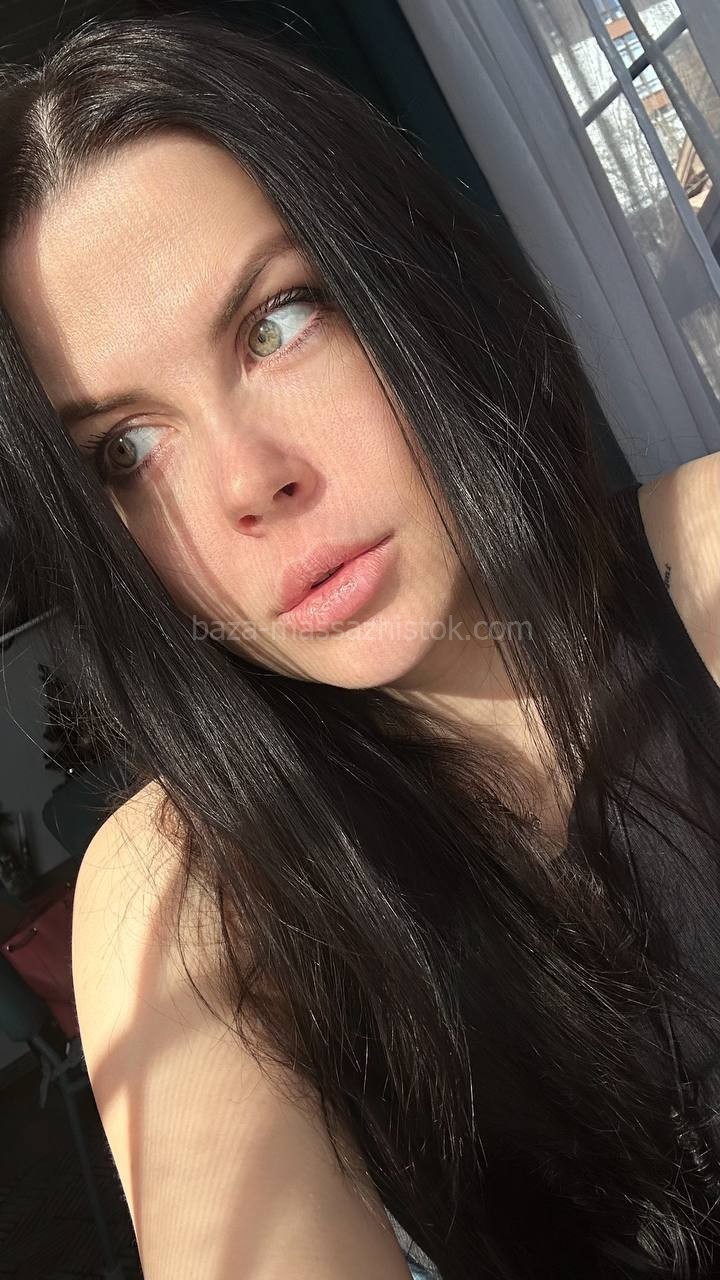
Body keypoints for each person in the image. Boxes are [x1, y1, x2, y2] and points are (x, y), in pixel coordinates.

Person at [1, 13, 720, 1278]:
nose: (247, 482)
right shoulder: (186, 890)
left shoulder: (706, 555)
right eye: (127, 448)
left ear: (406, 281)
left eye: (277, 322)